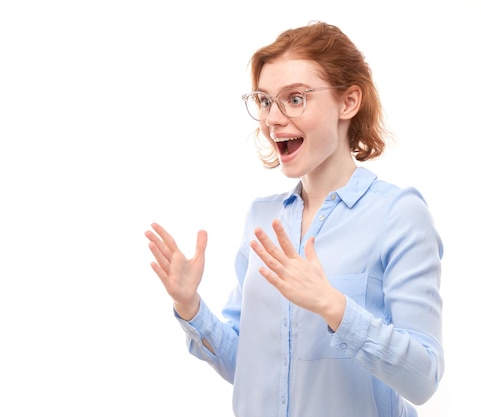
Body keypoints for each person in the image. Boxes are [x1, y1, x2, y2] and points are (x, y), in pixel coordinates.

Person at [145, 21, 444, 417]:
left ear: (349, 102)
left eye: (295, 99)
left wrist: (333, 306)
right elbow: (247, 368)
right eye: (266, 101)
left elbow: (423, 379)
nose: (272, 119)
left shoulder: (398, 214)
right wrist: (190, 306)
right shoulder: (262, 217)